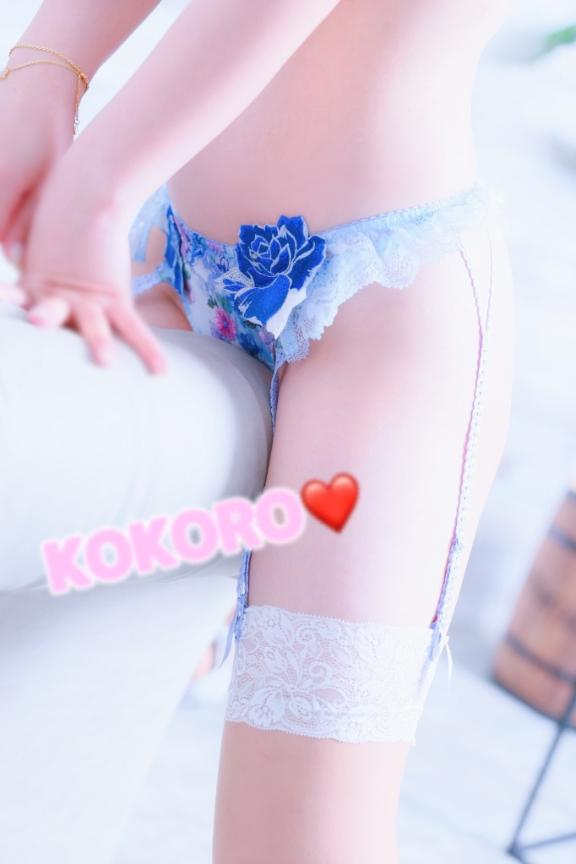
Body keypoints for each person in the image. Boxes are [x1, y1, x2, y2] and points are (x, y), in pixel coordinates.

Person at [0, 1, 515, 862]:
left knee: (296, 838)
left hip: (378, 317)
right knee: (49, 660)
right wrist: (45, 67)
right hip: (171, 255)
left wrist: (97, 181)